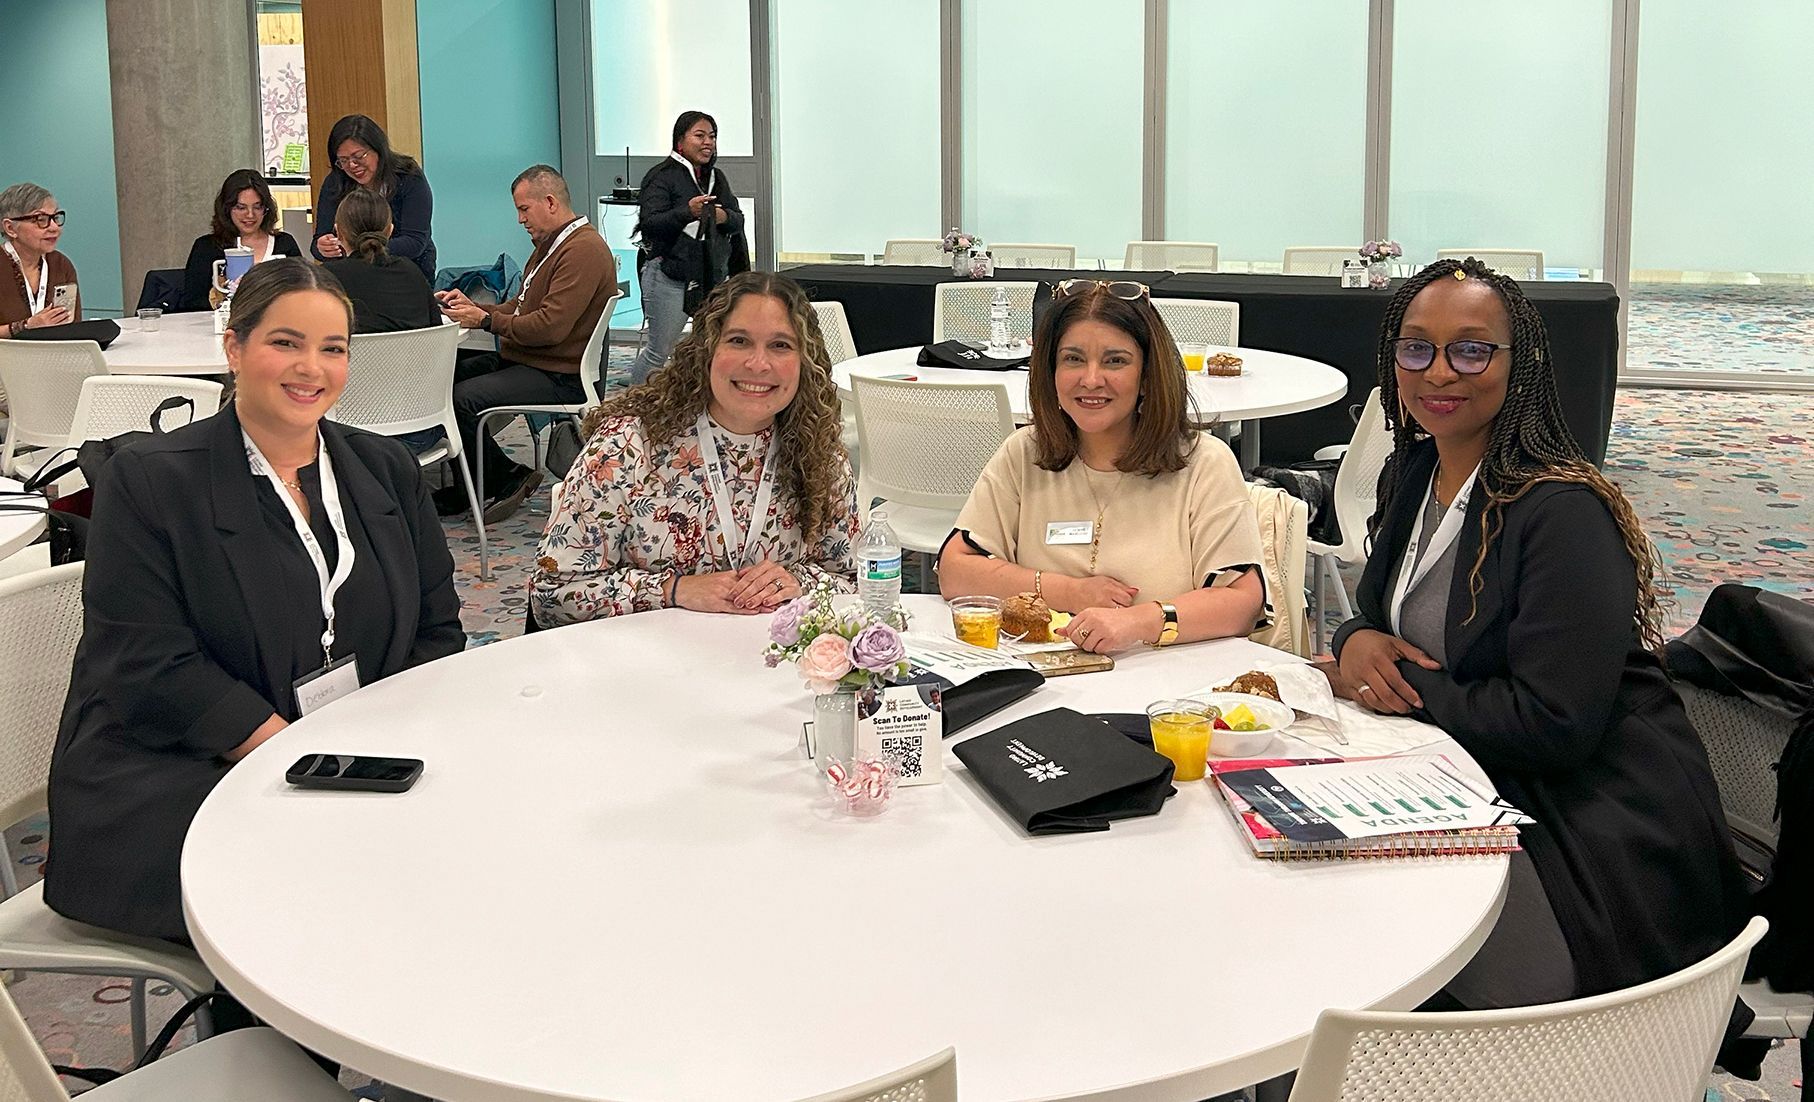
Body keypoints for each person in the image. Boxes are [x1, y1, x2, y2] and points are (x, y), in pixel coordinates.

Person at [1322, 257, 1747, 1006]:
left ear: (1520, 365)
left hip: (1583, 815)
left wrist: (1406, 686)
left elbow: (1554, 726)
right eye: (1416, 348)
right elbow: (1384, 614)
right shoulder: (1413, 471)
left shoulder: (1562, 512)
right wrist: (1358, 638)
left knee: (1391, 967)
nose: (1440, 373)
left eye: (1472, 348)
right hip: (1458, 769)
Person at [44, 258, 464, 942]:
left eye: (333, 349)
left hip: (349, 760)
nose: (312, 369)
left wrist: (371, 751)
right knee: (354, 892)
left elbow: (437, 629)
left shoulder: (385, 470)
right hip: (186, 770)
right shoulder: (149, 484)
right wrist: (303, 757)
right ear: (234, 347)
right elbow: (148, 663)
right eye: (286, 343)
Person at [938, 280, 1272, 654]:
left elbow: (1243, 603)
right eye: (1073, 359)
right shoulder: (1025, 453)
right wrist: (1070, 591)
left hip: (1169, 687)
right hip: (1044, 681)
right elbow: (954, 571)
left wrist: (1138, 622)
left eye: (1116, 360)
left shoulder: (1203, 463)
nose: (1091, 379)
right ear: (1049, 371)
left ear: (1147, 376)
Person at [530, 271, 857, 625]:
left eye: (780, 345)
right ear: (707, 349)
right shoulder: (627, 447)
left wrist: (798, 582)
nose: (759, 364)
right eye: (738, 341)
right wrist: (675, 590)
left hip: (769, 662)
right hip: (646, 662)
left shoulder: (819, 451)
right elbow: (551, 595)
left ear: (803, 362)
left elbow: (854, 581)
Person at [436, 164, 616, 523]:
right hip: (532, 360)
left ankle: (505, 478)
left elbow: (550, 328)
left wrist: (486, 320)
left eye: (523, 208)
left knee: (460, 400)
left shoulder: (582, 251)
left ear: (549, 202)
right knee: (441, 383)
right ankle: (473, 483)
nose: (520, 219)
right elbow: (520, 308)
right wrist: (474, 308)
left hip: (557, 372)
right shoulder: (553, 245)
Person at [630, 110, 749, 384]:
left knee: (708, 349)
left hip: (709, 275)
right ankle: (632, 412)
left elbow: (737, 219)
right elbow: (650, 224)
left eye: (712, 136)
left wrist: (722, 217)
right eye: (700, 135)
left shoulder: (716, 178)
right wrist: (688, 212)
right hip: (668, 275)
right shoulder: (661, 176)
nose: (708, 142)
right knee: (659, 352)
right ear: (680, 141)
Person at [310, 114, 436, 281]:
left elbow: (414, 242)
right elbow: (318, 243)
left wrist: (356, 247)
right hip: (353, 276)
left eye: (359, 156)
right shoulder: (335, 182)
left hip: (407, 273)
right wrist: (323, 247)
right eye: (343, 160)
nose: (352, 166)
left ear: (378, 149)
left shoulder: (408, 177)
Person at [179, 169, 303, 312]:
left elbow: (302, 292)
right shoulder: (206, 247)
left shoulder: (285, 244)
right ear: (226, 209)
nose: (250, 215)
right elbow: (193, 302)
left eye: (257, 207)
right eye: (241, 207)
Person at [321, 185, 439, 334]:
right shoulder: (411, 272)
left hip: (354, 357)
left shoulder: (326, 279)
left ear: (338, 233)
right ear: (389, 231)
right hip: (416, 357)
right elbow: (436, 330)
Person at [1, 182, 78, 337]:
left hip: (54, 357)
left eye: (55, 217)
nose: (54, 227)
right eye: (40, 219)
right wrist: (27, 326)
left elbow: (74, 326)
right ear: (10, 228)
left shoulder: (61, 264)